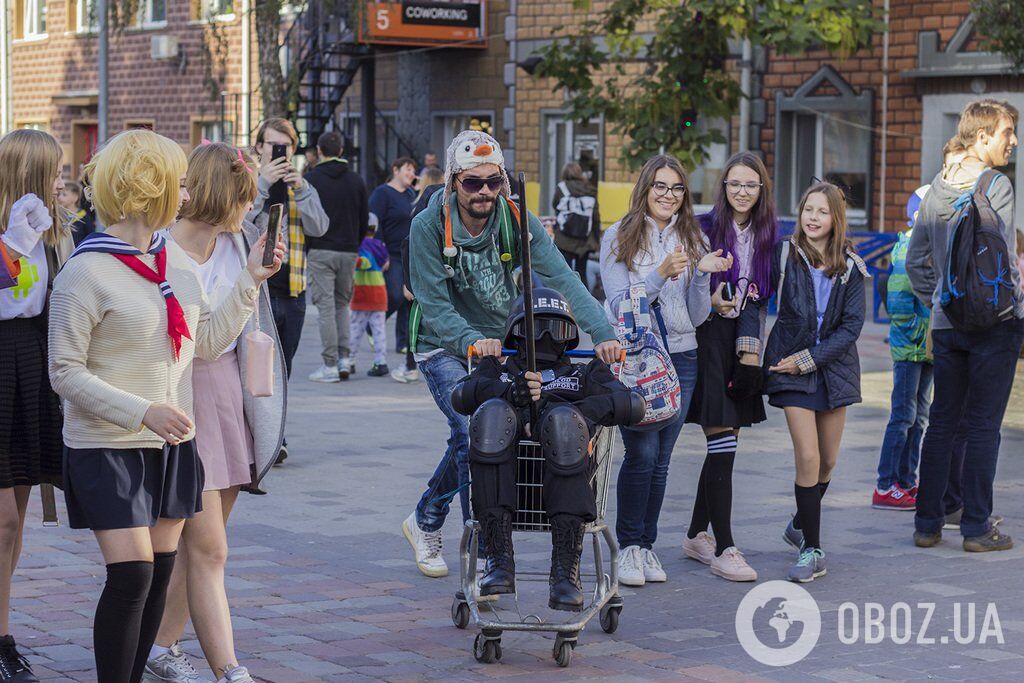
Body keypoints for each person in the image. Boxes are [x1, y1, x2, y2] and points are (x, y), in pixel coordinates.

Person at [47, 129, 283, 683]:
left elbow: (204, 342)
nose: (185, 192)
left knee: (155, 575)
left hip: (171, 447)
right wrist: (142, 410)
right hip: (108, 444)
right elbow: (64, 371)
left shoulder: (173, 264)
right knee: (130, 575)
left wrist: (251, 279)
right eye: (176, 181)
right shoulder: (86, 270)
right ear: (146, 187)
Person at [402, 130, 621, 578]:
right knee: (471, 430)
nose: (484, 192)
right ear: (452, 182)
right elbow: (434, 303)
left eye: (493, 181)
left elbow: (561, 276)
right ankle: (486, 554)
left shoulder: (516, 218)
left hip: (501, 342)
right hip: (443, 344)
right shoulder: (427, 227)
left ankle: (425, 516)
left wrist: (601, 331)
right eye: (472, 183)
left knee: (486, 434)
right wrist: (470, 342)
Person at [142, 143, 287, 683]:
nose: (249, 210)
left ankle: (161, 646)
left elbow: (245, 326)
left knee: (198, 544)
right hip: (181, 393)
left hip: (230, 392)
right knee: (209, 547)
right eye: (243, 199)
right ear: (220, 195)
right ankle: (228, 668)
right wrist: (250, 280)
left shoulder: (240, 241)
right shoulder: (159, 249)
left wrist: (259, 271)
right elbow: (196, 344)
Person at [451, 287, 645, 610]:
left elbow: (634, 406)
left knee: (564, 424)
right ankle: (498, 559)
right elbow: (460, 397)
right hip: (510, 487)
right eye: (534, 328)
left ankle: (565, 573)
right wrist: (508, 394)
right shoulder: (500, 371)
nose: (544, 338)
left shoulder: (582, 374)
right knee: (492, 415)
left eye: (555, 329)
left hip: (564, 487)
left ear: (569, 335)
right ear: (515, 332)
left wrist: (567, 408)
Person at [600, 153, 732, 587]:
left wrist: (700, 276)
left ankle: (647, 546)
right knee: (642, 454)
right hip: (637, 359)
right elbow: (621, 308)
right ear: (645, 188)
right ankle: (628, 548)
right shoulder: (618, 235)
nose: (668, 195)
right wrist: (658, 274)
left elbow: (695, 317)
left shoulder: (691, 235)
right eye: (660, 186)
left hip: (683, 356)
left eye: (677, 188)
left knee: (663, 460)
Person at [906, 99, 1022, 552]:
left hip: (947, 324)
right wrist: (1011, 311)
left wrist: (940, 300)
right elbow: (1005, 263)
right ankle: (976, 527)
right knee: (983, 426)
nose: (1013, 141)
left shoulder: (935, 189)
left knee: (942, 421)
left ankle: (928, 524)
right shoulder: (997, 184)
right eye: (1007, 132)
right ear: (982, 137)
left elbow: (917, 261)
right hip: (995, 323)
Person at [764, 181, 867, 583]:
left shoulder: (852, 268)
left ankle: (799, 523)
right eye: (808, 209)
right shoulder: (787, 255)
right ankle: (813, 549)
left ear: (835, 218)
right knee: (807, 457)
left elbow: (852, 328)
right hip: (789, 366)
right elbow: (755, 293)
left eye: (822, 212)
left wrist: (813, 360)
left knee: (827, 461)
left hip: (833, 370)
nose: (812, 217)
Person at [683, 152, 778, 582]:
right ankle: (724, 546)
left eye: (750, 185)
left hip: (740, 342)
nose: (742, 192)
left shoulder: (766, 235)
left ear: (761, 191)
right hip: (705, 338)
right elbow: (687, 284)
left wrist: (751, 355)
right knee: (721, 436)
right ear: (723, 188)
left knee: (727, 441)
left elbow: (758, 299)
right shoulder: (702, 228)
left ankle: (694, 536)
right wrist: (710, 298)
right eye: (735, 184)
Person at [0, 128, 73, 683]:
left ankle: (2, 634)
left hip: (30, 365)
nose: (60, 184)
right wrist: (13, 244)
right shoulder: (18, 230)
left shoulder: (53, 232)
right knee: (1, 516)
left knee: (13, 519)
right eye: (53, 172)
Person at [246, 118, 327, 465]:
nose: (280, 152)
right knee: (255, 372)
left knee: (284, 369)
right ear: (259, 147)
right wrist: (262, 184)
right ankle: (255, 436)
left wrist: (304, 190)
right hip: (256, 292)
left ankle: (275, 435)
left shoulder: (302, 186)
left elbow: (320, 227)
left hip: (293, 291)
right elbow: (241, 225)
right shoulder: (248, 182)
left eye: (286, 147)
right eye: (273, 145)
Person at [872, 186, 932, 511]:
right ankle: (885, 484)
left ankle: (907, 481)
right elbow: (898, 303)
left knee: (920, 417)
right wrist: (921, 333)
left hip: (926, 349)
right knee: (903, 416)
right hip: (911, 349)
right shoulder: (908, 249)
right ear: (920, 214)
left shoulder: (929, 247)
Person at [303, 131, 369, 383]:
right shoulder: (356, 180)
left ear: (319, 151)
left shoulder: (311, 179)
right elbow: (364, 218)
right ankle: (345, 358)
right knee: (343, 305)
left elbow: (305, 216)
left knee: (326, 307)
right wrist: (355, 241)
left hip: (321, 249)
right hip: (349, 249)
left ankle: (330, 364)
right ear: (341, 151)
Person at [390, 167, 446, 385]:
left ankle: (411, 365)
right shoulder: (436, 201)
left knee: (416, 317)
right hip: (436, 270)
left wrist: (409, 282)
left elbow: (409, 243)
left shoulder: (423, 202)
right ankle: (412, 363)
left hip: (425, 271)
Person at [369, 157, 417, 353]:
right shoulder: (382, 193)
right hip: (391, 253)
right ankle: (371, 326)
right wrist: (381, 253)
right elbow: (373, 222)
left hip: (409, 253)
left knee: (409, 299)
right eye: (407, 169)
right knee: (396, 295)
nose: (411, 174)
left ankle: (403, 342)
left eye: (413, 170)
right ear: (395, 170)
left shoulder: (411, 194)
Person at [347, 223, 390, 377]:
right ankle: (381, 362)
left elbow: (362, 262)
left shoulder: (359, 245)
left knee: (355, 329)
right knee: (379, 331)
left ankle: (349, 361)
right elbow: (386, 264)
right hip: (379, 292)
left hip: (362, 293)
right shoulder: (381, 245)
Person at [552, 162, 600, 282]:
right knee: (582, 274)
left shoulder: (561, 187)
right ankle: (585, 300)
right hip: (584, 241)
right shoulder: (589, 189)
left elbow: (555, 205)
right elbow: (595, 217)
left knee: (565, 273)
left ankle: (565, 300)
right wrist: (596, 240)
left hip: (564, 239)